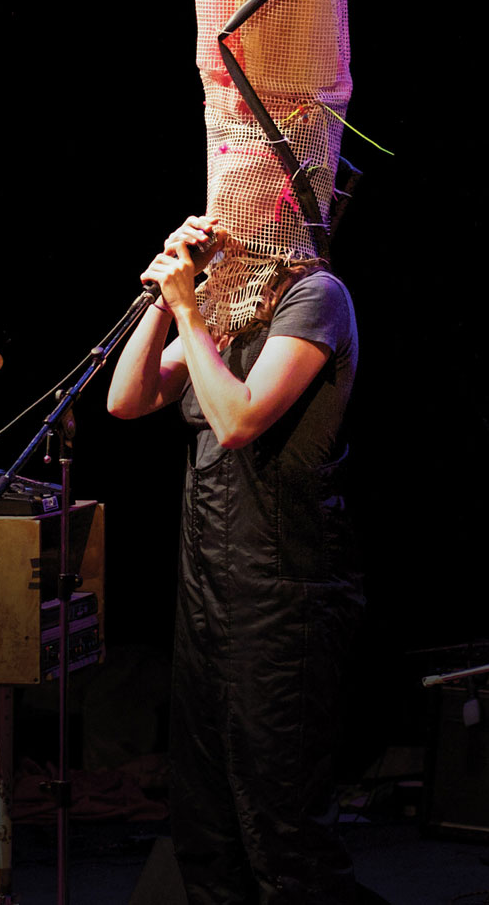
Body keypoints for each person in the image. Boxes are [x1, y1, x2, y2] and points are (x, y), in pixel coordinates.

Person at [106, 214, 362, 905]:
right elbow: (126, 399)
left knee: (281, 825)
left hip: (284, 588)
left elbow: (238, 419)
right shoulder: (221, 308)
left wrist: (191, 310)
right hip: (208, 586)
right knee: (206, 821)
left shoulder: (318, 297)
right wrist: (166, 299)